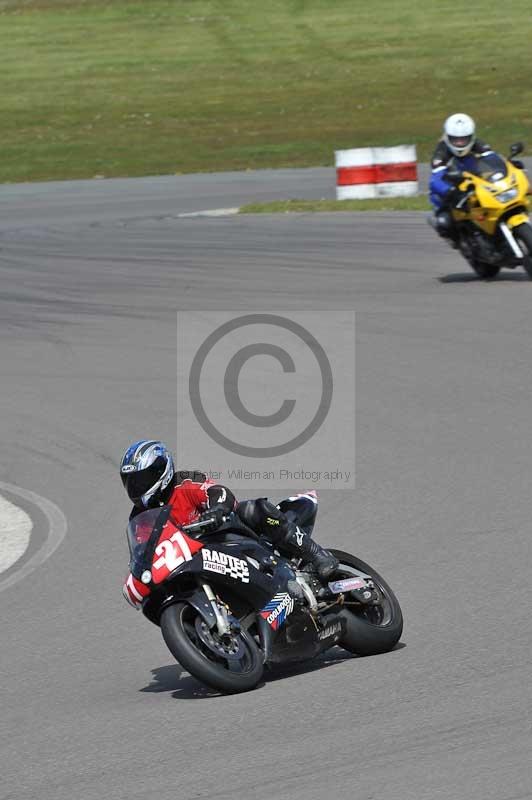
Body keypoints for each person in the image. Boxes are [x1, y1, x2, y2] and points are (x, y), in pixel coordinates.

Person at [120, 439, 338, 606]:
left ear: (161, 471)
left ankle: (317, 554)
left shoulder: (184, 482)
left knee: (254, 509)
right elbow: (145, 553)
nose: (136, 489)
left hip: (225, 536)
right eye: (131, 483)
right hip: (191, 562)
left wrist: (216, 511)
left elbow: (219, 493)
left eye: (142, 480)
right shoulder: (138, 519)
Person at [429, 113, 491, 239]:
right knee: (444, 221)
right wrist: (450, 191)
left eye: (464, 139)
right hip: (452, 188)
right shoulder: (441, 152)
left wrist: (509, 165)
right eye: (455, 139)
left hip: (475, 183)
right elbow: (435, 179)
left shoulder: (478, 144)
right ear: (447, 138)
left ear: (471, 137)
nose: (460, 143)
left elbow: (493, 158)